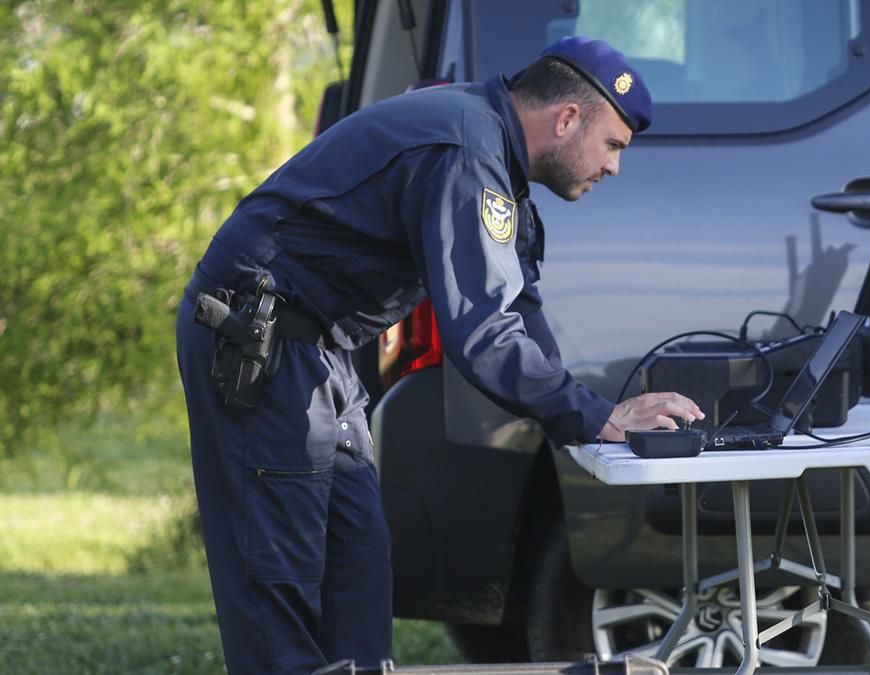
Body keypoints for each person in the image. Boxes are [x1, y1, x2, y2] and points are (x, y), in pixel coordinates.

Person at [175, 36, 704, 674]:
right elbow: (480, 336)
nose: (614, 166)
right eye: (613, 145)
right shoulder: (467, 152)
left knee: (358, 572)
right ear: (566, 119)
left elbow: (518, 307)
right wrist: (594, 417)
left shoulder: (491, 147)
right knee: (280, 591)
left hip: (321, 353)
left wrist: (592, 420)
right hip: (262, 345)